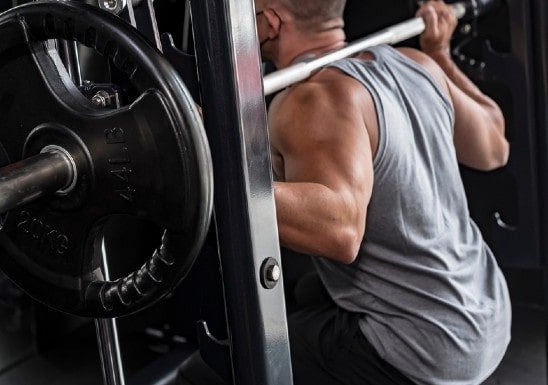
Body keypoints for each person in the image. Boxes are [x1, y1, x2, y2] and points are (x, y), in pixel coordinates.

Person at [177, 0, 511, 384]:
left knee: (205, 376)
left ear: (270, 22)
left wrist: (207, 155)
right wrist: (439, 54)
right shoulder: (416, 64)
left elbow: (340, 232)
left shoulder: (310, 99)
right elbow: (494, 146)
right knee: (308, 292)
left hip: (426, 350)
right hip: (486, 314)